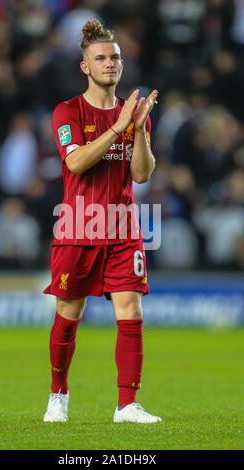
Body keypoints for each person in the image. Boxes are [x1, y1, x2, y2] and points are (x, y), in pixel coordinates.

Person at [43, 19, 161, 424]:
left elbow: (142, 174)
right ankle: (58, 395)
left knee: (131, 311)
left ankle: (127, 404)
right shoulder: (68, 111)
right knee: (68, 316)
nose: (110, 63)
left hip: (124, 229)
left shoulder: (133, 114)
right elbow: (75, 161)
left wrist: (140, 129)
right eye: (101, 58)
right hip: (78, 228)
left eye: (115, 57)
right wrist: (118, 125)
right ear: (85, 67)